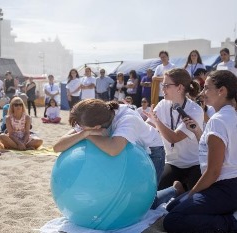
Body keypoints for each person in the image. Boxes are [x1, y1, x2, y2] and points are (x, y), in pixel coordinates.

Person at [53, 99, 179, 205]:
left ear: (97, 127)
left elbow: (114, 150)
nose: (80, 129)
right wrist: (85, 132)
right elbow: (57, 146)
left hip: (152, 152)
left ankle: (175, 189)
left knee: (146, 203)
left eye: (83, 128)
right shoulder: (93, 115)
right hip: (128, 150)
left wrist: (85, 135)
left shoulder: (127, 119)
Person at [163, 70, 237, 233]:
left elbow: (213, 172)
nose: (202, 93)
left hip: (224, 187)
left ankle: (231, 222)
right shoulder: (230, 115)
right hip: (228, 186)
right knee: (173, 206)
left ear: (221, 91)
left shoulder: (218, 120)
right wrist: (197, 131)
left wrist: (193, 194)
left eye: (207, 88)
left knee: (173, 219)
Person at [145, 68, 204, 191]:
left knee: (192, 199)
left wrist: (157, 121)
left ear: (180, 88)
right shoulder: (163, 104)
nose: (162, 89)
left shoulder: (195, 110)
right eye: (163, 85)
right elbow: (149, 125)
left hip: (194, 164)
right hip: (172, 163)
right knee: (154, 191)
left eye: (166, 85)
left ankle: (180, 189)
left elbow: (174, 138)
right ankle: (178, 189)